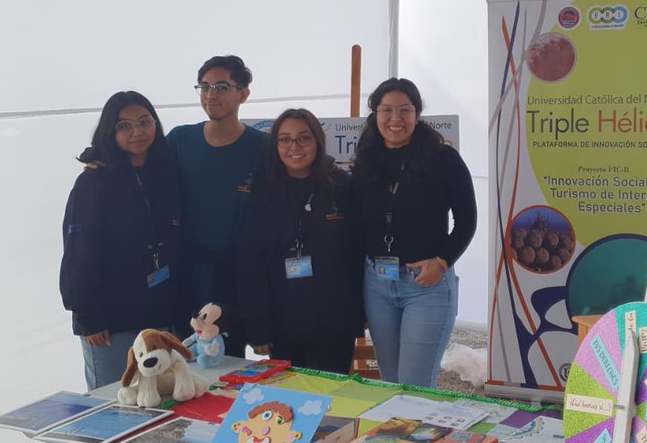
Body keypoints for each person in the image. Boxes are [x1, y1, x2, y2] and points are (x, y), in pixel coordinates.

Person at [59, 91, 180, 443]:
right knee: (108, 421)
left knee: (143, 418)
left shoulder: (162, 170)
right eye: (125, 125)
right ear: (110, 131)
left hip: (154, 317)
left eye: (144, 121)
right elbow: (79, 250)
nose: (136, 132)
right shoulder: (94, 181)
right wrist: (86, 314)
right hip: (109, 325)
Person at [352, 78, 477, 387]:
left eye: (405, 110)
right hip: (378, 284)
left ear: (418, 114)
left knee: (414, 384)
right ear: (375, 114)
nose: (396, 119)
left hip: (426, 286)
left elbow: (466, 220)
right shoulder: (367, 158)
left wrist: (443, 262)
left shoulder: (443, 160)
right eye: (387, 110)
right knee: (390, 381)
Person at [238, 108, 364, 373]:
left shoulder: (342, 187)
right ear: (276, 145)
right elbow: (251, 262)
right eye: (285, 139)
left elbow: (357, 254)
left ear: (318, 141)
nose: (294, 147)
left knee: (333, 402)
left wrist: (357, 315)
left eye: (303, 138)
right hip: (282, 321)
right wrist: (258, 326)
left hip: (333, 320)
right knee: (290, 401)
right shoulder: (261, 192)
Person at [166, 55, 266, 356]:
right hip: (187, 276)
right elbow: (138, 170)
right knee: (184, 365)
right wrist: (101, 161)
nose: (211, 94)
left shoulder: (263, 147)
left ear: (243, 94)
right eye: (205, 86)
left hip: (238, 278)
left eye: (222, 86)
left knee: (228, 369)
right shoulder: (179, 140)